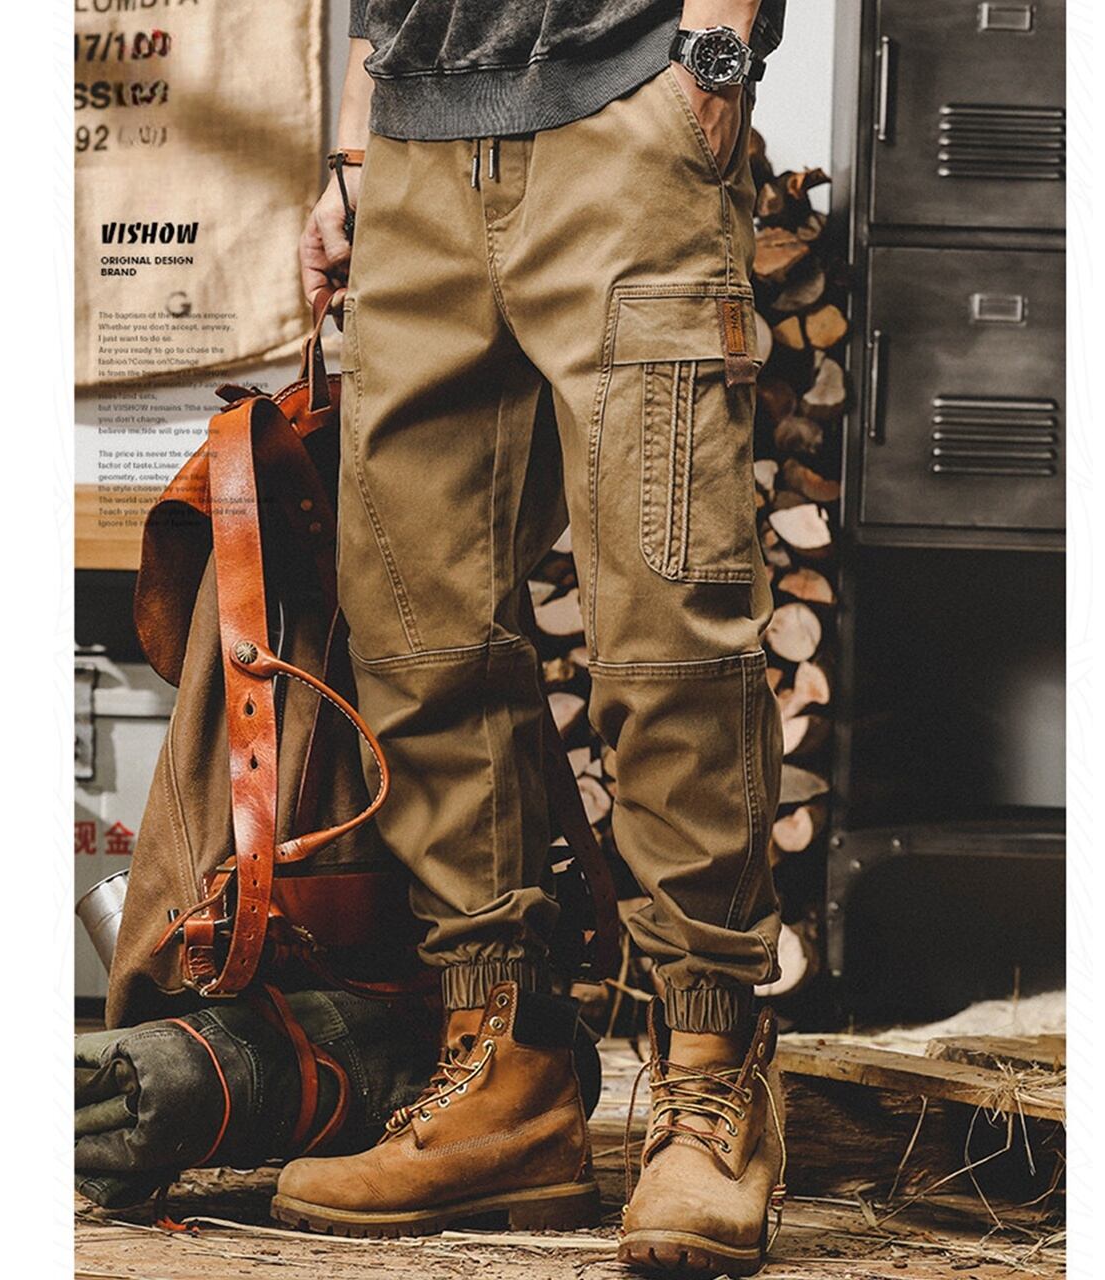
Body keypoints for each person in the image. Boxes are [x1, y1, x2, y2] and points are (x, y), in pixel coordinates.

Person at [274, 3, 789, 1274]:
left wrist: (713, 59)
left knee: (668, 620)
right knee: (415, 627)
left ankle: (710, 1074)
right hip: (415, 145)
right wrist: (357, 145)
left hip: (625, 111)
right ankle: (503, 1072)